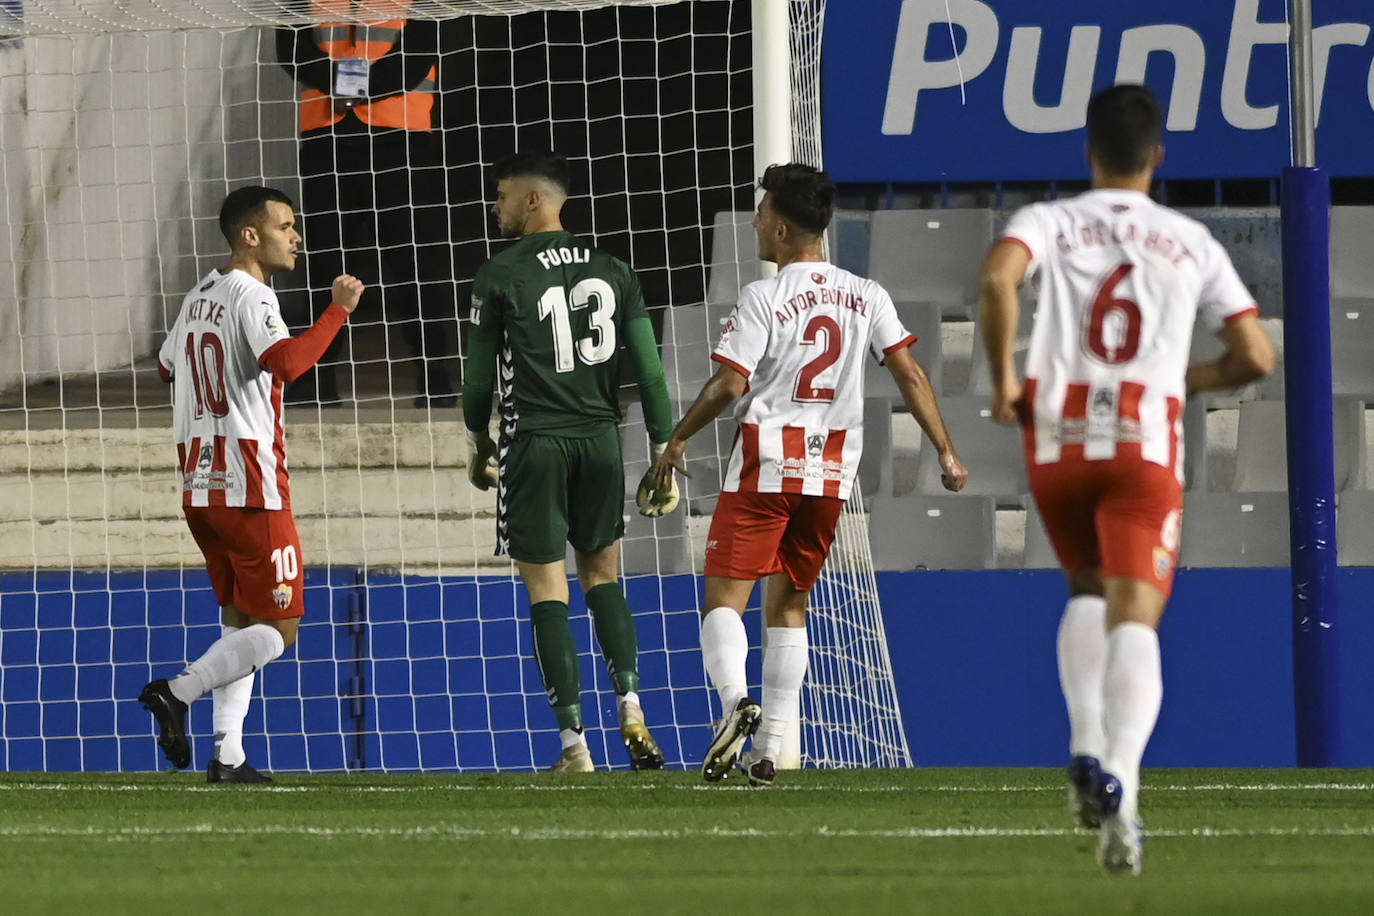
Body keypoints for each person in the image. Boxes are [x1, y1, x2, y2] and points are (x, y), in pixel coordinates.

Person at [977, 84, 1275, 875]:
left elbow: (999, 280)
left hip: (1059, 436)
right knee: (1134, 617)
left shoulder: (1048, 220)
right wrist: (1185, 378)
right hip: (1143, 440)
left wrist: (1005, 380)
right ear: (1158, 156)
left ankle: (1082, 745)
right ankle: (1125, 797)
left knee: (1083, 590)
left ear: (1088, 151)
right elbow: (1256, 356)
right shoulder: (1189, 241)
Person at [651, 163, 969, 788]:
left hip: (767, 464)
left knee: (724, 597)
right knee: (791, 604)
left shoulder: (764, 297)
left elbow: (731, 382)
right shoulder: (867, 294)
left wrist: (678, 437)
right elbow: (910, 374)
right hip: (829, 474)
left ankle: (731, 706)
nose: (755, 220)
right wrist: (947, 452)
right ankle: (769, 747)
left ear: (785, 228)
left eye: (763, 212)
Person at [462, 151, 678, 773]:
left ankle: (574, 746)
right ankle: (632, 703)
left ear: (534, 199)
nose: (496, 208)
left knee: (546, 590)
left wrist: (479, 441)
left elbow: (479, 384)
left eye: (502, 195)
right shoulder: (614, 269)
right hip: (602, 441)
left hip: (537, 443)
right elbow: (651, 371)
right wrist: (661, 449)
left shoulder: (500, 274)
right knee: (604, 577)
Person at [140, 186, 363, 782]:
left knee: (239, 619)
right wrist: (337, 310)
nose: (296, 236)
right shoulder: (252, 293)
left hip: (199, 483)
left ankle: (228, 755)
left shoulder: (199, 294)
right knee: (282, 629)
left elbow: (164, 367)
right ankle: (177, 692)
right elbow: (286, 364)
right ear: (250, 235)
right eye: (285, 226)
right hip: (252, 486)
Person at [277, 6, 457, 407]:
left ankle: (435, 374)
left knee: (413, 261)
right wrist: (341, 86)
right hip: (328, 139)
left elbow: (419, 51)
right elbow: (291, 47)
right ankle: (316, 379)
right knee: (327, 261)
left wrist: (356, 89)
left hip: (401, 137)